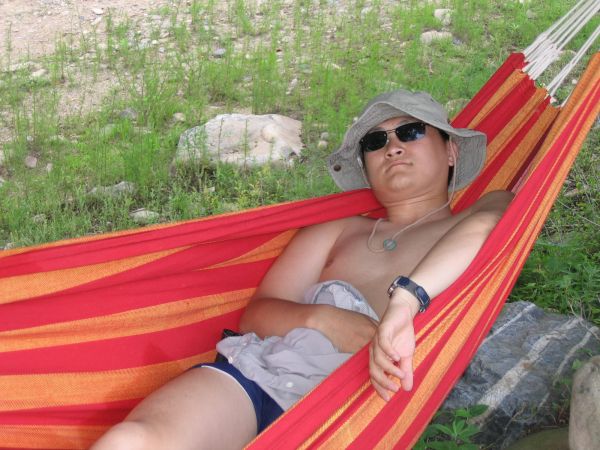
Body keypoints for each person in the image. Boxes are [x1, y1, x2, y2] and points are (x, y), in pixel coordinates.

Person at [91, 90, 512, 449]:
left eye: (412, 131)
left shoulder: (481, 213)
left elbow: (489, 224)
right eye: (375, 141)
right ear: (365, 167)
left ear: (451, 151)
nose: (393, 147)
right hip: (261, 376)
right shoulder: (336, 230)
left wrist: (404, 301)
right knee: (128, 442)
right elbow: (257, 314)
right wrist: (325, 320)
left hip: (354, 407)